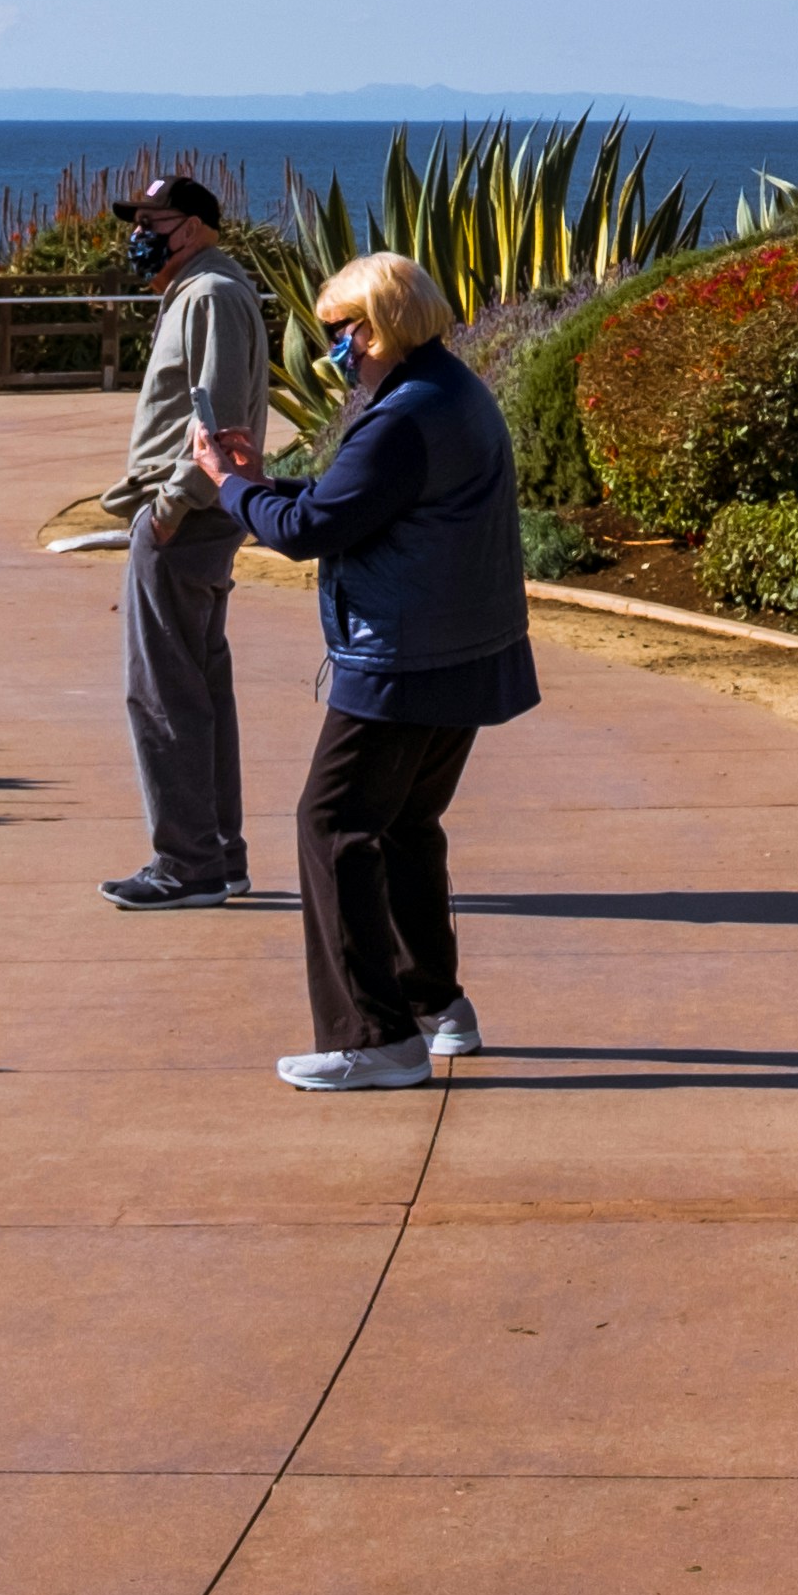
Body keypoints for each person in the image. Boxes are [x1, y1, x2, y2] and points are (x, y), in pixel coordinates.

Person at [190, 249, 534, 1091]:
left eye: (338, 331)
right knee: (404, 825)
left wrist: (230, 486)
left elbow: (310, 529)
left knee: (332, 824)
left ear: (375, 329)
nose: (330, 347)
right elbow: (355, 496)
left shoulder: (404, 415)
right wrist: (263, 482)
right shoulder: (450, 391)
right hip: (462, 652)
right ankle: (434, 1005)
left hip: (405, 659)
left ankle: (373, 1036)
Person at [98, 174, 266, 910]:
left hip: (185, 520)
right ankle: (216, 856)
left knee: (163, 692)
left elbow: (218, 410)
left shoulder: (209, 296)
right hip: (190, 514)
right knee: (196, 690)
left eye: (150, 220)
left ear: (192, 226)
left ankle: (187, 863)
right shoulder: (201, 290)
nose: (138, 234)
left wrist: (170, 506)